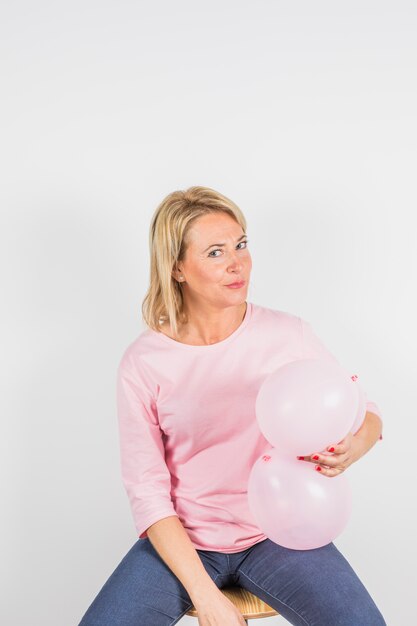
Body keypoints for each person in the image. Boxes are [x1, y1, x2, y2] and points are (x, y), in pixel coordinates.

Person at [78, 186, 386, 626]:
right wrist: (206, 597)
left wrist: (354, 446)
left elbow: (365, 410)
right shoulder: (144, 362)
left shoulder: (288, 334)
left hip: (275, 534)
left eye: (241, 244)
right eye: (215, 252)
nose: (237, 263)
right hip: (185, 541)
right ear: (178, 268)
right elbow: (147, 491)